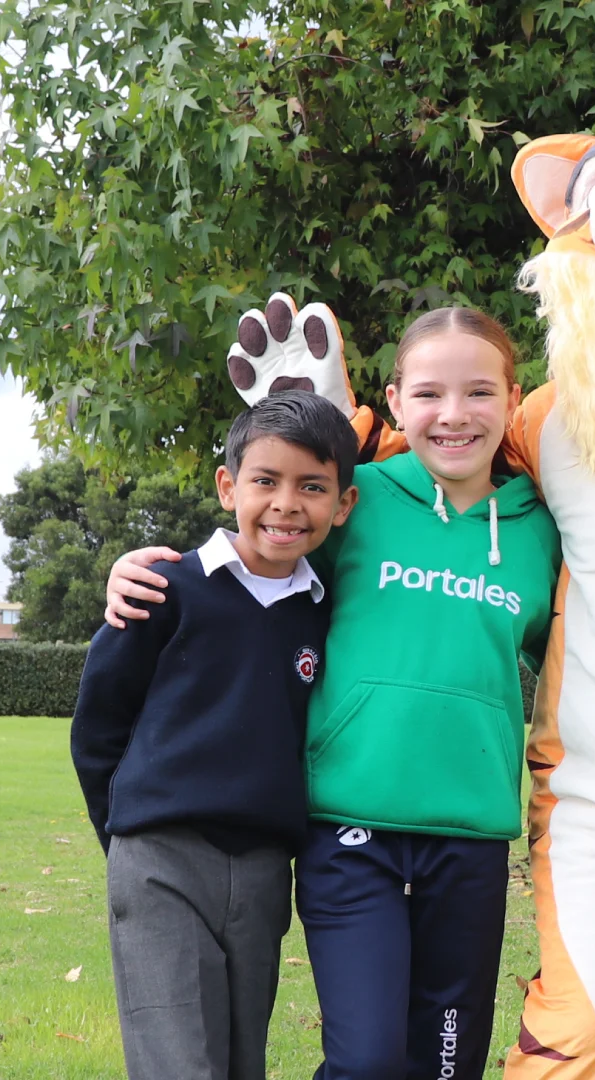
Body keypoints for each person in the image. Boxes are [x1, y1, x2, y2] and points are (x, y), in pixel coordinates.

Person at [102, 308, 559, 1080]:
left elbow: (581, 664)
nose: (453, 415)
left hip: (473, 838)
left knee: (449, 1066)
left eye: (479, 392)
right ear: (394, 399)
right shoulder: (357, 499)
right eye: (428, 394)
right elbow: (255, 558)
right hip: (348, 834)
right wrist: (144, 574)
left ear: (515, 400)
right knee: (369, 1062)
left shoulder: (543, 531)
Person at [71, 390, 359, 1080]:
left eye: (312, 487)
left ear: (343, 505)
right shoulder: (161, 587)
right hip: (159, 857)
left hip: (262, 870)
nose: (287, 504)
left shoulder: (327, 612)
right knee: (179, 1063)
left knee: (238, 1063)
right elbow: (98, 725)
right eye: (266, 481)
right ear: (229, 486)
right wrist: (128, 838)